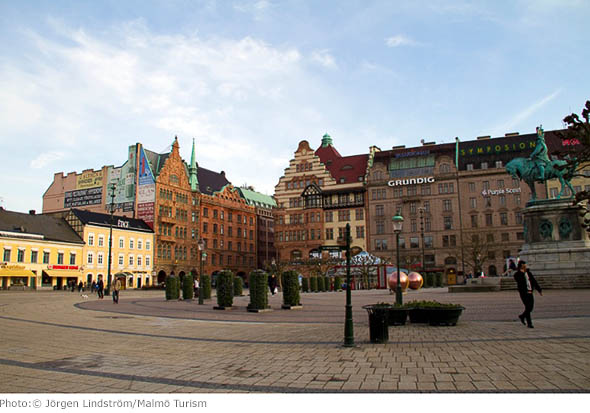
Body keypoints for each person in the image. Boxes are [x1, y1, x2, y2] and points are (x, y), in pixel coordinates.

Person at [513, 261, 542, 328]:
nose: (525, 265)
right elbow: (520, 281)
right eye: (524, 264)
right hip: (523, 293)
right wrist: (523, 273)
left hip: (530, 292)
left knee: (530, 307)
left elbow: (534, 281)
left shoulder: (529, 273)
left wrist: (539, 289)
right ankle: (529, 323)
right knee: (527, 307)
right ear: (521, 265)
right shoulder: (517, 274)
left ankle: (522, 316)